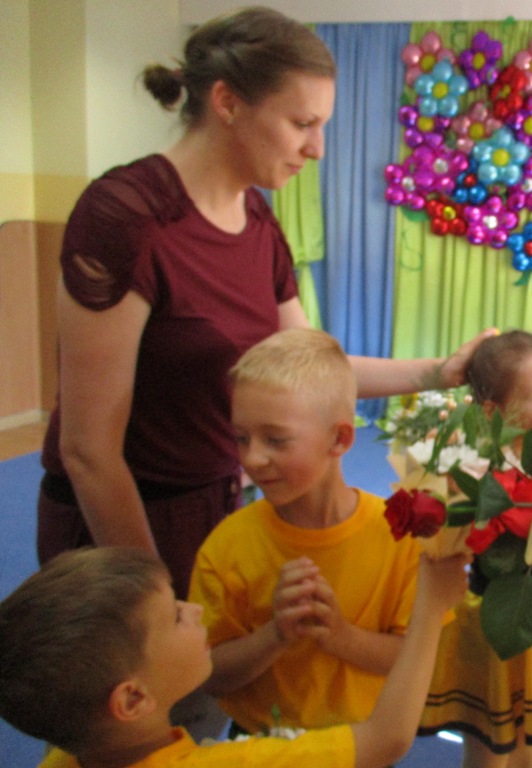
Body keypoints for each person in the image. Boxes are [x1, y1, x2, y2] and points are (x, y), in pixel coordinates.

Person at [36, 5, 490, 601]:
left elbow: (310, 370)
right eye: (302, 123)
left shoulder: (257, 221)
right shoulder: (126, 218)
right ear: (227, 102)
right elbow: (88, 452)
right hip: (122, 528)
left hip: (222, 506)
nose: (317, 148)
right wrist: (155, 602)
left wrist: (438, 372)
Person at [0, 546, 469, 768]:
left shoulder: (66, 755)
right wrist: (430, 608)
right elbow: (385, 740)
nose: (194, 610)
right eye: (176, 616)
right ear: (133, 699)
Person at [188, 327, 424, 734]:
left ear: (339, 439)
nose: (252, 459)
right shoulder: (226, 546)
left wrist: (340, 636)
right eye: (242, 438)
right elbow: (209, 674)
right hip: (259, 748)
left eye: (276, 440)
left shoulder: (398, 536)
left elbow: (417, 657)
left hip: (363, 747)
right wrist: (275, 635)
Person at [417, 330, 532, 768]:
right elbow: (531, 549)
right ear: (493, 411)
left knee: (531, 742)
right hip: (492, 624)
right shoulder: (478, 472)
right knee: (489, 748)